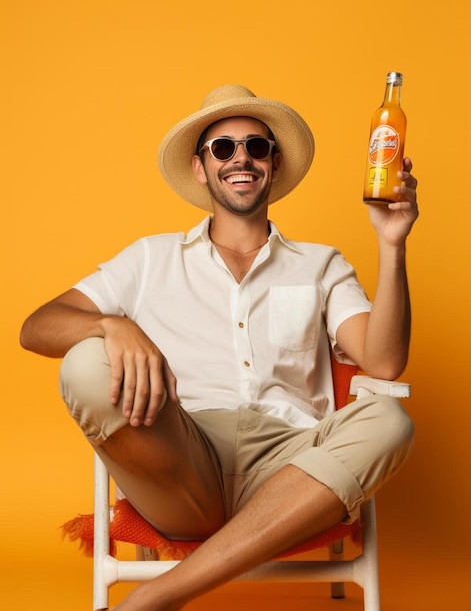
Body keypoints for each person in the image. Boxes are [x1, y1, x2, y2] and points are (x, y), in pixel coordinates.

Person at [20, 84, 418, 611]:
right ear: (201, 167)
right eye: (223, 148)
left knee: (389, 420)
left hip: (294, 471)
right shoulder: (149, 259)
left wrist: (392, 245)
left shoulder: (321, 264)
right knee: (84, 361)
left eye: (256, 146)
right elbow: (37, 326)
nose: (241, 159)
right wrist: (113, 327)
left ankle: (159, 595)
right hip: (182, 462)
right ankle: (186, 577)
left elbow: (384, 361)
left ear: (273, 164)